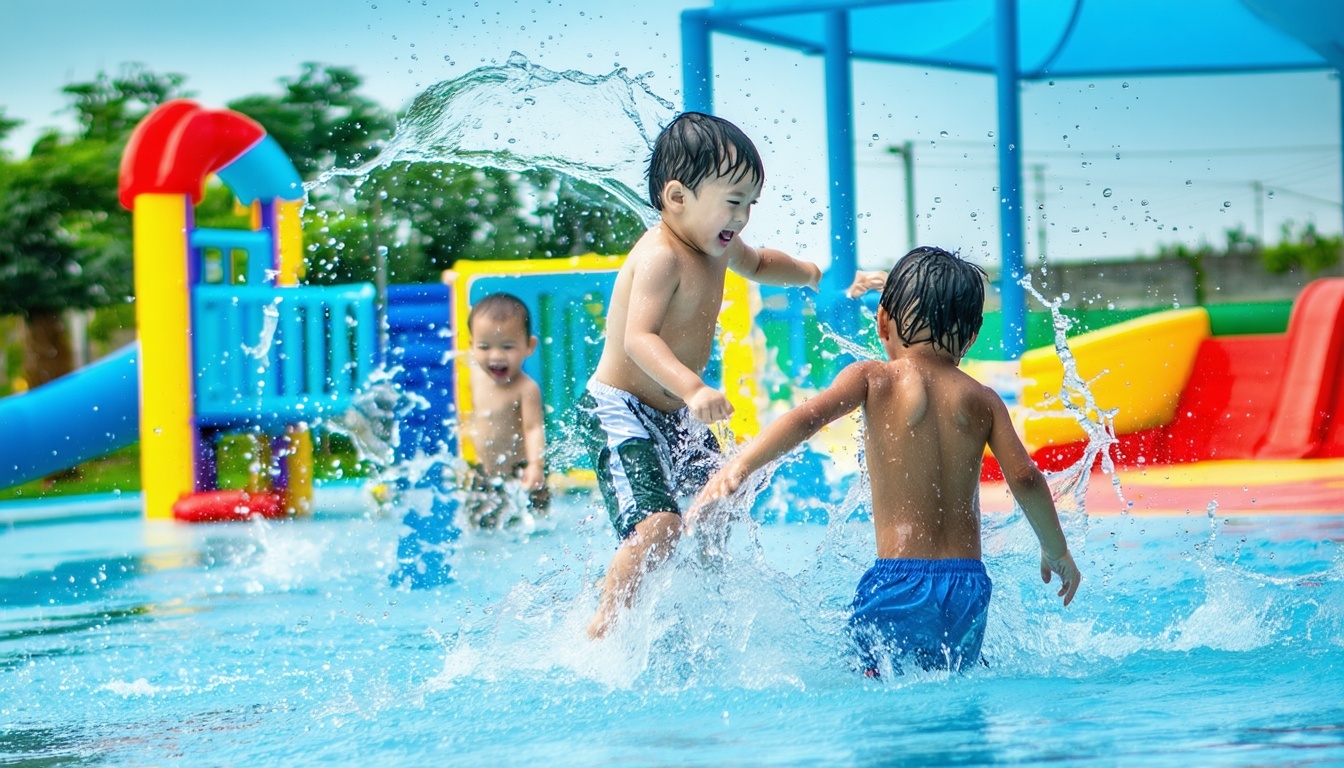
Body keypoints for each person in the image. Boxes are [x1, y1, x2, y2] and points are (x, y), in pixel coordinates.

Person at [691, 246, 1080, 675]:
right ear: (971, 337)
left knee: (871, 679)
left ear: (882, 322)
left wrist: (740, 465)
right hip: (968, 586)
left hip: (897, 581)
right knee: (952, 683)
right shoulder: (984, 400)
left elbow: (808, 418)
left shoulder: (873, 378)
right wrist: (1055, 548)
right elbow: (1025, 477)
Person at [578, 111, 823, 638]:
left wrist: (807, 272)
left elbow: (758, 264)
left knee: (726, 488)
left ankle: (705, 588)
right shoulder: (662, 257)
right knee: (660, 526)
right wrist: (693, 389)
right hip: (620, 407)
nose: (744, 216)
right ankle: (603, 628)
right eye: (733, 201)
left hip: (671, 413)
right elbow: (637, 339)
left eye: (750, 204)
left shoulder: (718, 243)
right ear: (677, 198)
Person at [463, 292, 549, 528]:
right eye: (484, 346)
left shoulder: (526, 388)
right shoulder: (474, 377)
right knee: (478, 525)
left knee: (533, 526)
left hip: (521, 472)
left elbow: (533, 429)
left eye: (508, 347)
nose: (496, 356)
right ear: (472, 346)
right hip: (485, 471)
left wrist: (536, 465)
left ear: (529, 346)